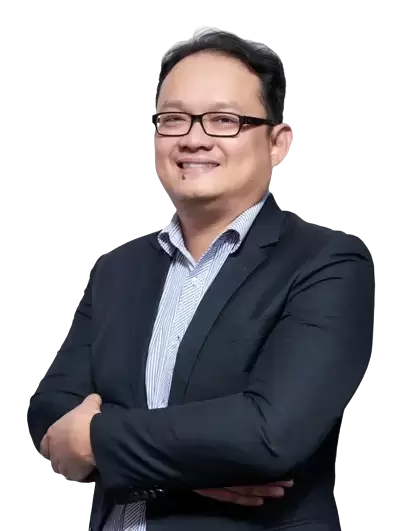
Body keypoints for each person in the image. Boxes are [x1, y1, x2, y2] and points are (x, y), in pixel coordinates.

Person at [28, 33, 375, 531]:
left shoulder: (327, 265)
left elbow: (268, 435)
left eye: (224, 120)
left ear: (278, 142)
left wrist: (96, 442)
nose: (194, 139)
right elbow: (51, 409)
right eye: (173, 119)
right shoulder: (119, 270)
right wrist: (191, 470)